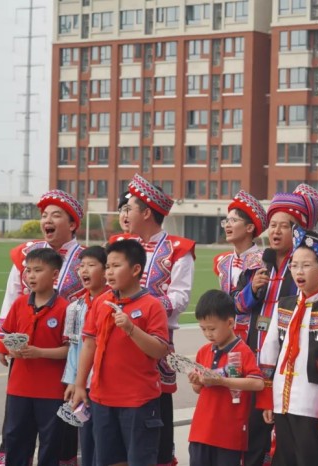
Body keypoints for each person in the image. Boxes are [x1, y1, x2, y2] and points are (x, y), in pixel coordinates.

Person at [234, 183, 318, 466]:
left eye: (284, 226)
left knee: (291, 443)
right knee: (252, 433)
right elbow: (236, 305)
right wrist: (252, 289)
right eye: (272, 225)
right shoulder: (257, 264)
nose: (275, 231)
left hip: (291, 366)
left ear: (297, 232)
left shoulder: (304, 268)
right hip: (256, 360)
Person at [0, 189, 84, 466]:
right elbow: (12, 295)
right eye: (44, 215)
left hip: (67, 356)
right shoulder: (27, 254)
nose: (47, 220)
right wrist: (2, 341)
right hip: (24, 356)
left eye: (56, 215)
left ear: (72, 224)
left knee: (56, 431)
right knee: (17, 427)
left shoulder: (86, 258)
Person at [118, 173, 196, 466]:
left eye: (129, 208)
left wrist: (141, 308)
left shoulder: (179, 250)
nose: (124, 214)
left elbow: (179, 298)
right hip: (118, 340)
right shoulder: (119, 244)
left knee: (155, 412)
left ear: (146, 213)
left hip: (157, 342)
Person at [72, 239, 170, 466]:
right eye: (107, 266)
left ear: (135, 270)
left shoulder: (152, 305)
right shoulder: (101, 302)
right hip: (101, 398)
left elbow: (159, 350)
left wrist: (131, 329)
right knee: (107, 459)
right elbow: (89, 344)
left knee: (138, 459)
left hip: (138, 400)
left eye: (116, 266)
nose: (109, 272)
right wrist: (80, 385)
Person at [258, 228, 318, 466]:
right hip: (281, 398)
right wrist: (267, 398)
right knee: (284, 456)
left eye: (306, 266)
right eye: (294, 265)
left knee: (311, 457)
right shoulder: (284, 305)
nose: (298, 271)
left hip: (311, 401)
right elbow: (269, 351)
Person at [0, 248, 69, 466]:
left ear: (55, 274)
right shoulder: (19, 304)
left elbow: (70, 350)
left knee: (50, 442)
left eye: (38, 270)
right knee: (15, 438)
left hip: (51, 391)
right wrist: (10, 349)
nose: (31, 276)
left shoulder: (65, 308)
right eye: (28, 271)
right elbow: (6, 335)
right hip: (19, 388)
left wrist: (40, 353)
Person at [188, 290, 264, 466]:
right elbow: (198, 390)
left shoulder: (243, 351)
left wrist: (222, 381)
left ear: (230, 323)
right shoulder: (203, 352)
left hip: (228, 435)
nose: (208, 334)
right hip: (201, 432)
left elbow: (257, 383)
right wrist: (196, 382)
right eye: (203, 329)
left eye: (212, 329)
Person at [62, 246, 110, 466]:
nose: (84, 271)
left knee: (106, 441)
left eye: (91, 265)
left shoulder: (114, 303)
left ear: (106, 270)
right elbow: (74, 346)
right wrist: (73, 381)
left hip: (106, 384)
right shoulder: (75, 307)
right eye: (81, 266)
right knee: (87, 438)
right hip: (85, 383)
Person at [213, 190, 268, 340]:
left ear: (249, 228)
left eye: (233, 220)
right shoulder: (222, 262)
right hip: (227, 335)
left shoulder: (263, 261)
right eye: (226, 221)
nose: (227, 225)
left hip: (254, 335)